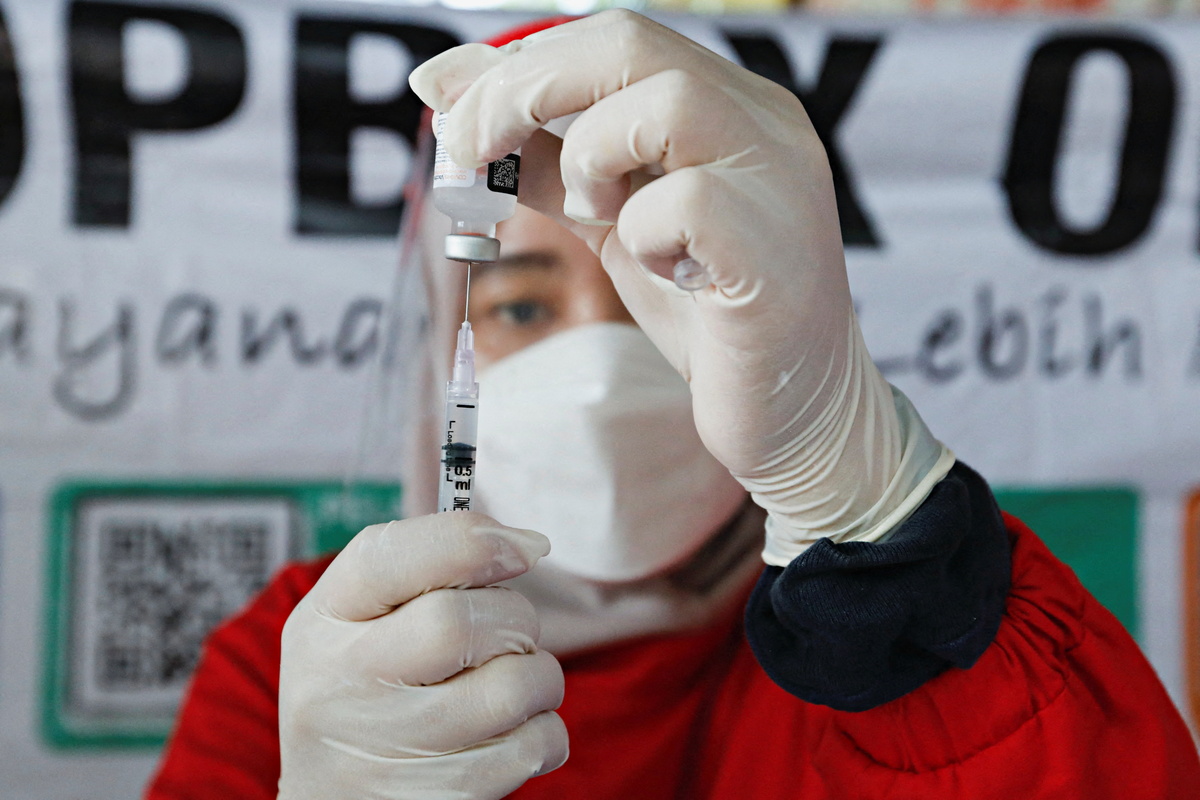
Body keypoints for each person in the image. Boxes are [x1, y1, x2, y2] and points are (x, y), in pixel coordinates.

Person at [144, 11, 1200, 799]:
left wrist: (876, 538)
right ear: (444, 351)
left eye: (664, 285)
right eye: (521, 305)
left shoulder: (896, 647)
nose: (601, 369)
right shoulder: (317, 659)